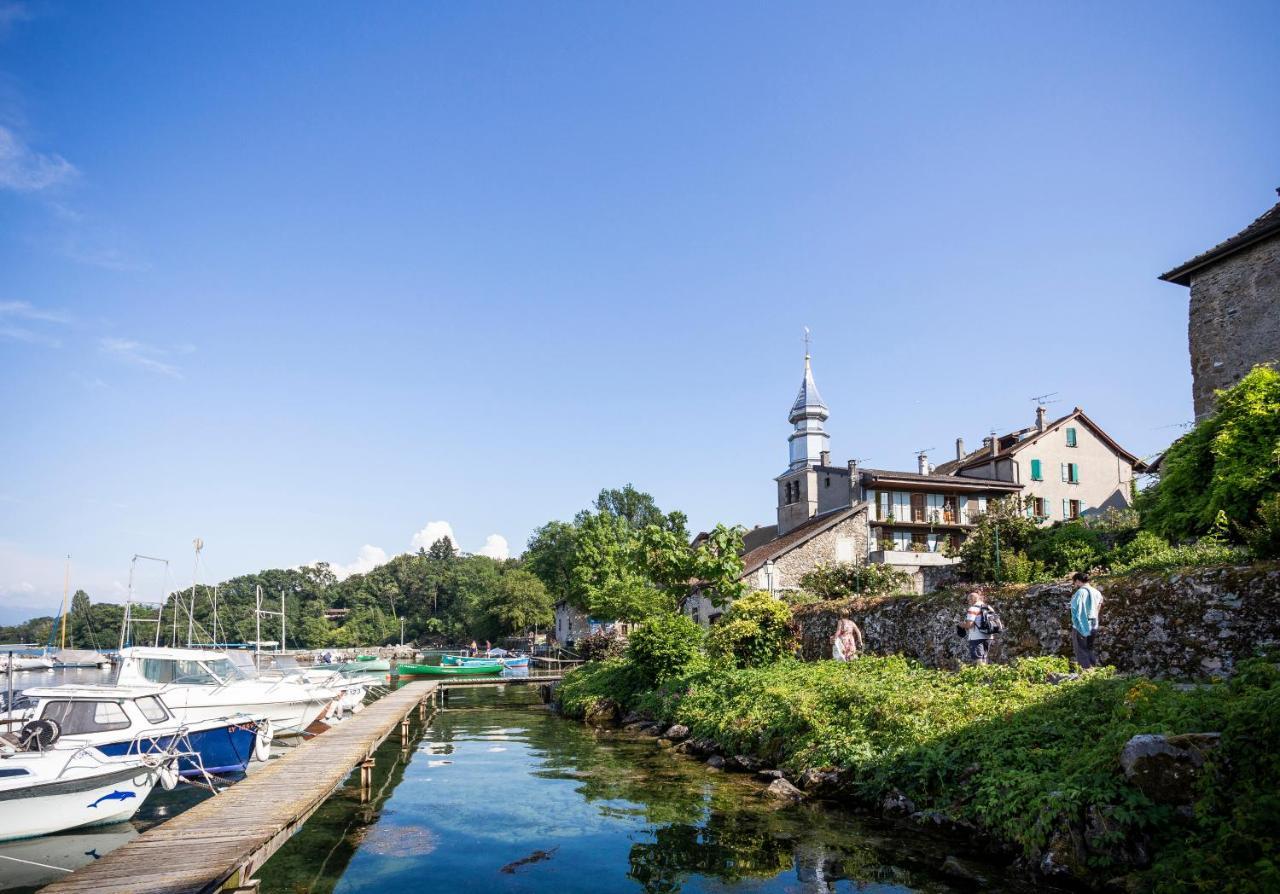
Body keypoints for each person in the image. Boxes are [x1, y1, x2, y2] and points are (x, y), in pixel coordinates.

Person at [1070, 571, 1103, 669]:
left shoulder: (1080, 592)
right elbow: (1099, 606)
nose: (1075, 585)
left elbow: (1076, 610)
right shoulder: (1097, 592)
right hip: (1093, 625)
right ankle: (1094, 673)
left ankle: (1086, 674)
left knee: (1081, 651)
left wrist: (1078, 625)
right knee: (1089, 649)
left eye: (1075, 582)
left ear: (1078, 581)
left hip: (1082, 625)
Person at [962, 591, 991, 665]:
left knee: (979, 660)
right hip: (988, 636)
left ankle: (981, 675)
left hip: (976, 637)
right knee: (984, 658)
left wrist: (961, 625)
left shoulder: (973, 608)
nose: (968, 602)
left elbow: (969, 625)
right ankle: (987, 674)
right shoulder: (988, 607)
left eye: (969, 600)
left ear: (973, 599)